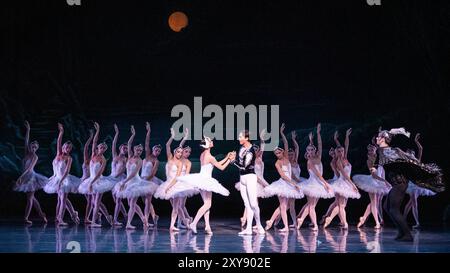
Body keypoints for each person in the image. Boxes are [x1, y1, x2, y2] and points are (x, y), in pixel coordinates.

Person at [374, 127, 444, 241]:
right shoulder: (382, 151)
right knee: (386, 206)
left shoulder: (392, 151)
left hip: (400, 183)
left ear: (383, 139)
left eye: (379, 136)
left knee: (393, 209)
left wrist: (421, 168)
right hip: (396, 183)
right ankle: (402, 233)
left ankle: (407, 234)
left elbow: (407, 159)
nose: (376, 138)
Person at [177, 136, 233, 234]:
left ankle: (207, 226)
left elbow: (215, 163)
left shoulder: (203, 154)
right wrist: (229, 160)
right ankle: (194, 223)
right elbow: (221, 167)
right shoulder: (210, 157)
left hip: (202, 179)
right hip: (206, 181)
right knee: (208, 204)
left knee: (206, 204)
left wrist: (227, 157)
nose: (212, 142)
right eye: (210, 141)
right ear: (207, 145)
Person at [13, 121, 48, 224]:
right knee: (32, 198)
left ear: (37, 149)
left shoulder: (35, 156)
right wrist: (28, 130)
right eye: (32, 147)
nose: (33, 148)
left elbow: (29, 169)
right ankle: (42, 215)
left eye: (35, 148)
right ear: (29, 147)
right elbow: (26, 141)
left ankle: (26, 218)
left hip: (31, 178)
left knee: (30, 198)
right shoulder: (26, 153)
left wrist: (20, 178)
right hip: (25, 177)